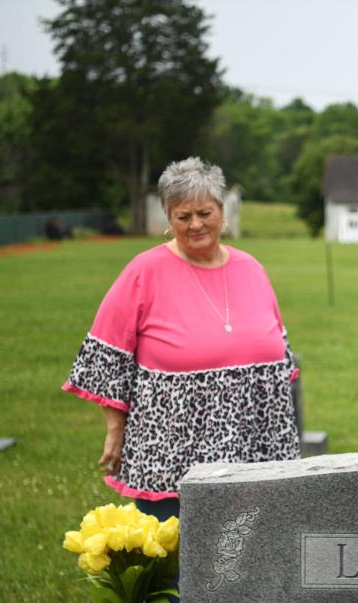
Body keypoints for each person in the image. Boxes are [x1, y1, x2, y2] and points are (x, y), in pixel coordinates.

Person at [63, 157, 300, 526]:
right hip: (172, 453)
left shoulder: (251, 268)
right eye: (182, 216)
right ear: (168, 220)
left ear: (222, 212)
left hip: (257, 446)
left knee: (252, 558)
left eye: (204, 213)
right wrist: (115, 428)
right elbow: (106, 358)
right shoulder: (144, 271)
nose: (195, 225)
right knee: (178, 562)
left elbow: (280, 358)